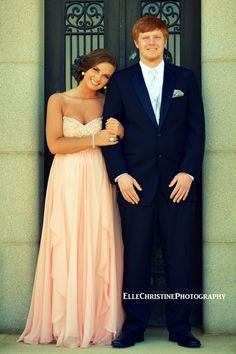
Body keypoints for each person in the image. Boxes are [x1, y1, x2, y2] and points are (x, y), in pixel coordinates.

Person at [102, 16, 205, 349]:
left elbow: (196, 130)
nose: (151, 42)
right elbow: (110, 133)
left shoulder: (185, 80)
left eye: (157, 37)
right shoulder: (120, 82)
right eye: (145, 37)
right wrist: (120, 175)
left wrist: (189, 171)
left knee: (179, 257)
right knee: (137, 258)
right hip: (136, 186)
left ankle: (180, 327)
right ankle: (134, 328)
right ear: (136, 42)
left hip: (178, 185)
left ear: (165, 40)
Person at [18, 49, 124, 348]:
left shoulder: (107, 102)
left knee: (95, 240)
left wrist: (120, 130)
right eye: (97, 71)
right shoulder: (59, 100)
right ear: (84, 67)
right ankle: (65, 321)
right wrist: (93, 139)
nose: (99, 78)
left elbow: (117, 139)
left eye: (106, 76)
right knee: (67, 239)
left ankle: (96, 320)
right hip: (66, 177)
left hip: (98, 176)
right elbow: (54, 144)